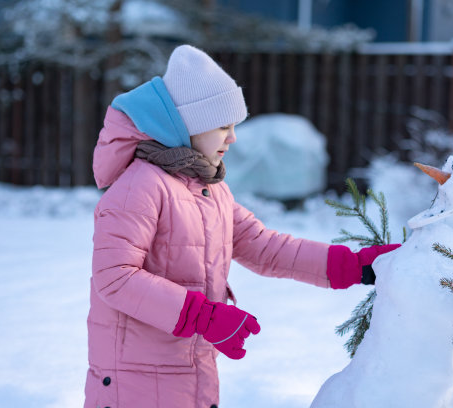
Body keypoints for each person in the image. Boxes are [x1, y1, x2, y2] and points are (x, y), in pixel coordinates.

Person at [85, 45, 400, 408]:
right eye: (223, 126)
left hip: (186, 368)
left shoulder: (209, 189)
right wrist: (201, 315)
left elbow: (263, 246)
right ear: (188, 126)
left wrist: (353, 265)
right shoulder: (141, 185)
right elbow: (115, 276)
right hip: (133, 380)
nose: (233, 138)